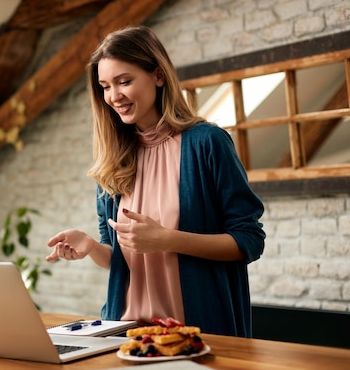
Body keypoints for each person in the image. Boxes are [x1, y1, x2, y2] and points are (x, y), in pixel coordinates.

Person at [45, 25, 265, 337]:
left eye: (124, 81)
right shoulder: (113, 160)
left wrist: (167, 239)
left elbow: (249, 241)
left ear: (158, 76)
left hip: (198, 336)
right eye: (105, 86)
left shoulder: (207, 143)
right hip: (126, 335)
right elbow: (124, 261)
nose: (114, 96)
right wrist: (92, 247)